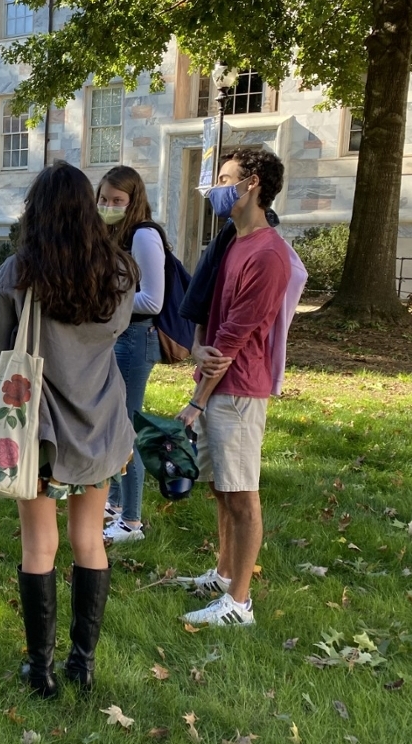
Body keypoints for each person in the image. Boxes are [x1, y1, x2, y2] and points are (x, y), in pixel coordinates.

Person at [0, 162, 138, 698]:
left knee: (38, 546)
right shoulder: (119, 271)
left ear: (36, 211)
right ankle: (83, 664)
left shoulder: (17, 272)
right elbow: (115, 332)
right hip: (99, 424)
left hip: (38, 431)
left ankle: (41, 670)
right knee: (89, 540)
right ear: (89, 208)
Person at [175, 149, 292, 627]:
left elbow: (234, 339)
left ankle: (239, 604)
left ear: (252, 185)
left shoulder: (268, 254)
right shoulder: (232, 241)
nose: (216, 189)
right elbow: (209, 315)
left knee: (242, 496)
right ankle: (223, 576)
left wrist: (195, 401)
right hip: (219, 382)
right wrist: (196, 348)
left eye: (225, 179)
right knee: (222, 490)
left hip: (239, 390)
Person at [97, 166, 164, 545]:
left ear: (133, 201)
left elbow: (154, 299)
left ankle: (132, 522)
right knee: (114, 419)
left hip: (137, 338)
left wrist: (106, 303)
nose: (108, 206)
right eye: (104, 199)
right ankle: (116, 502)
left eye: (117, 201)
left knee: (127, 428)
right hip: (119, 336)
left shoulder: (143, 235)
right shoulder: (113, 234)